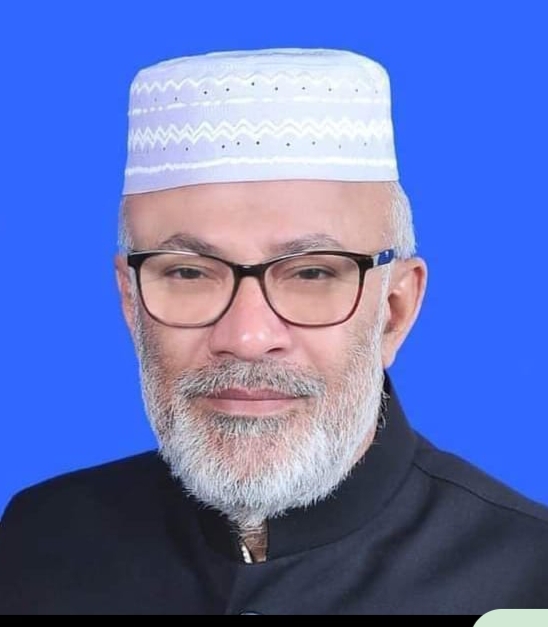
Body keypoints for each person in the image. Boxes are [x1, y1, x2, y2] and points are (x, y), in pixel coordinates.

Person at [0, 47, 546, 615]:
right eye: (189, 273)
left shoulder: (529, 580)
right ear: (131, 301)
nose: (247, 337)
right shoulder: (36, 545)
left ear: (394, 310)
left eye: (311, 273)